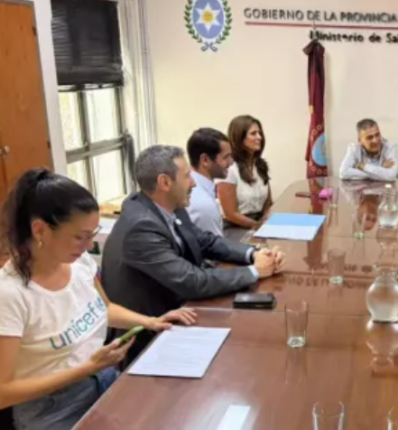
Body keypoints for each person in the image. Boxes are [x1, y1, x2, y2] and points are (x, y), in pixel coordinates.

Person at [0, 169, 195, 430]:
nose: (88, 246)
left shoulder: (77, 261)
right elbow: (4, 392)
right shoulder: (10, 294)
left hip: (102, 378)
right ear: (40, 230)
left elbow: (105, 308)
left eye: (92, 234)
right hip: (53, 409)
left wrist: (151, 321)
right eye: (79, 236)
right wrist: (86, 368)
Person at [102, 145, 284, 363]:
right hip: (149, 336)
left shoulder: (168, 204)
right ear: (164, 182)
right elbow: (191, 281)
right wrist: (255, 271)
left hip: (182, 311)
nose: (194, 183)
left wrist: (255, 254)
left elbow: (204, 241)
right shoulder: (141, 227)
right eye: (187, 176)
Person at [217, 115, 272, 229]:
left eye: (259, 133)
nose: (259, 137)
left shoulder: (260, 165)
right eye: (253, 133)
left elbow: (268, 203)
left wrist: (266, 222)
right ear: (239, 138)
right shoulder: (229, 169)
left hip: (259, 223)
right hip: (235, 227)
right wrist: (258, 226)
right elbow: (231, 214)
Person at [186, 127, 233, 236]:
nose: (231, 162)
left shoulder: (194, 188)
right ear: (205, 160)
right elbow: (215, 245)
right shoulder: (204, 204)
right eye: (226, 157)